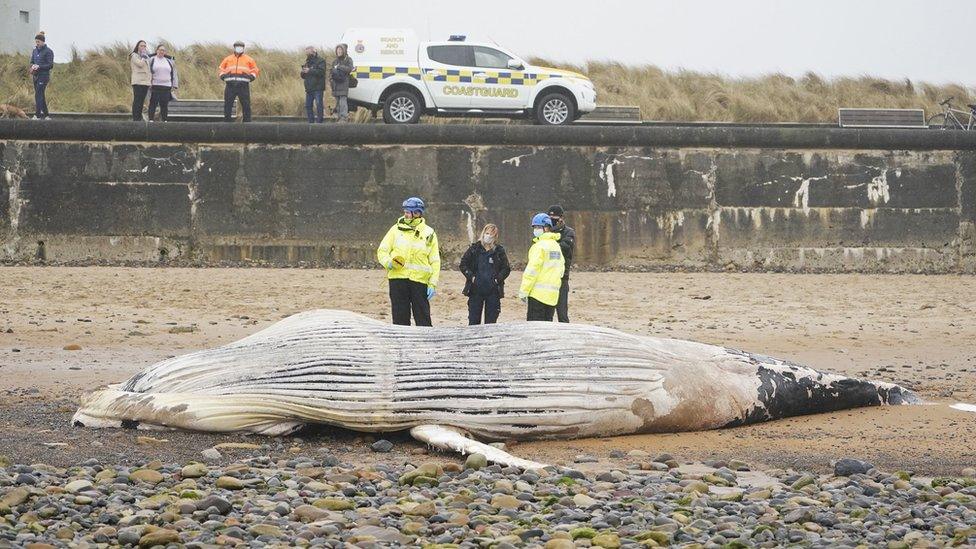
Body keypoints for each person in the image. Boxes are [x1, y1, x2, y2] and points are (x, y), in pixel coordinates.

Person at [377, 197, 440, 327]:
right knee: (400, 320)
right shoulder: (395, 230)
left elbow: (435, 261)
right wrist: (389, 262)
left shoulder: (429, 233)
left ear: (418, 213)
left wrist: (432, 283)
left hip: (420, 281)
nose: (407, 215)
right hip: (398, 279)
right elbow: (382, 251)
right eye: (405, 212)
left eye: (410, 212)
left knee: (423, 319)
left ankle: (426, 344)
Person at [459, 224, 511, 325]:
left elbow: (506, 268)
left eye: (491, 234)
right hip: (476, 289)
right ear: (483, 233)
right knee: (473, 321)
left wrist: (497, 280)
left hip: (493, 290)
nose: (488, 236)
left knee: (491, 323)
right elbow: (463, 264)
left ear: (495, 237)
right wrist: (472, 277)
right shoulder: (474, 248)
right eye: (487, 233)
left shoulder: (499, 250)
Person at [518, 213, 565, 322]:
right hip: (552, 297)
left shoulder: (539, 246)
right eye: (535, 227)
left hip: (537, 296)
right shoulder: (556, 246)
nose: (536, 230)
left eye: (538, 227)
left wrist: (524, 291)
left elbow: (531, 271)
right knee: (547, 331)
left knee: (534, 330)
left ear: (546, 228)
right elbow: (561, 270)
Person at [547, 205, 577, 323]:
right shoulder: (545, 231)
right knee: (547, 314)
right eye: (550, 218)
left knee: (562, 314)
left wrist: (552, 232)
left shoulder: (569, 232)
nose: (552, 220)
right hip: (547, 277)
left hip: (561, 277)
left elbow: (563, 247)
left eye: (555, 218)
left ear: (561, 218)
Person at [219, 41, 260, 122]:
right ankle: (227, 123)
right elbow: (221, 69)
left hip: (243, 86)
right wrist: (224, 77)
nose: (239, 48)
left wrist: (251, 77)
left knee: (246, 105)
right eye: (237, 46)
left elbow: (255, 70)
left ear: (243, 48)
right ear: (234, 47)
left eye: (241, 46)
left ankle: (247, 123)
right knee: (228, 105)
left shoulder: (249, 59)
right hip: (230, 86)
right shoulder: (228, 59)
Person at [147, 45, 178, 122]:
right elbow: (147, 71)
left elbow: (174, 73)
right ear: (157, 50)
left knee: (164, 105)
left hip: (167, 86)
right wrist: (148, 82)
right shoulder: (152, 60)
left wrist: (175, 84)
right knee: (153, 103)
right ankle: (151, 119)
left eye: (163, 50)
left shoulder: (169, 61)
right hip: (155, 85)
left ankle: (165, 120)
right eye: (160, 50)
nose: (161, 52)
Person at [28, 32, 54, 120]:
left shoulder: (49, 51)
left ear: (43, 42)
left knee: (38, 94)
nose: (37, 43)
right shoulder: (34, 51)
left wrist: (39, 66)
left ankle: (37, 115)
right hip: (35, 75)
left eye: (38, 41)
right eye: (36, 42)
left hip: (44, 76)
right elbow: (31, 61)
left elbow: (50, 65)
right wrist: (32, 66)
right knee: (40, 95)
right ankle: (46, 115)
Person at [300, 46, 327, 123]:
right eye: (306, 53)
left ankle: (319, 122)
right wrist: (303, 72)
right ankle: (310, 122)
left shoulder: (321, 61)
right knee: (308, 106)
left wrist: (310, 70)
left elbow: (321, 72)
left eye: (308, 52)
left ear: (313, 52)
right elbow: (303, 76)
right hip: (309, 88)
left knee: (319, 105)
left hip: (318, 87)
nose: (307, 54)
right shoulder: (307, 62)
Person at [330, 43, 354, 122]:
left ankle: (344, 117)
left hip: (343, 83)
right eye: (337, 50)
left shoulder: (348, 59)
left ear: (343, 50)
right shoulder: (335, 61)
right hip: (335, 84)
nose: (338, 51)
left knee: (343, 101)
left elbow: (350, 69)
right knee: (337, 102)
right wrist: (331, 80)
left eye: (340, 50)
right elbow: (331, 71)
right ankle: (339, 117)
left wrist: (339, 67)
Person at [129, 40, 151, 121]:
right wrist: (143, 57)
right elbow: (140, 64)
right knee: (137, 101)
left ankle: (139, 118)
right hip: (137, 82)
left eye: (145, 46)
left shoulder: (145, 57)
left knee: (141, 101)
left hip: (145, 82)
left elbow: (148, 70)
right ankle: (135, 118)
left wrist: (149, 81)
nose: (143, 47)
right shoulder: (134, 55)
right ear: (138, 46)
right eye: (142, 45)